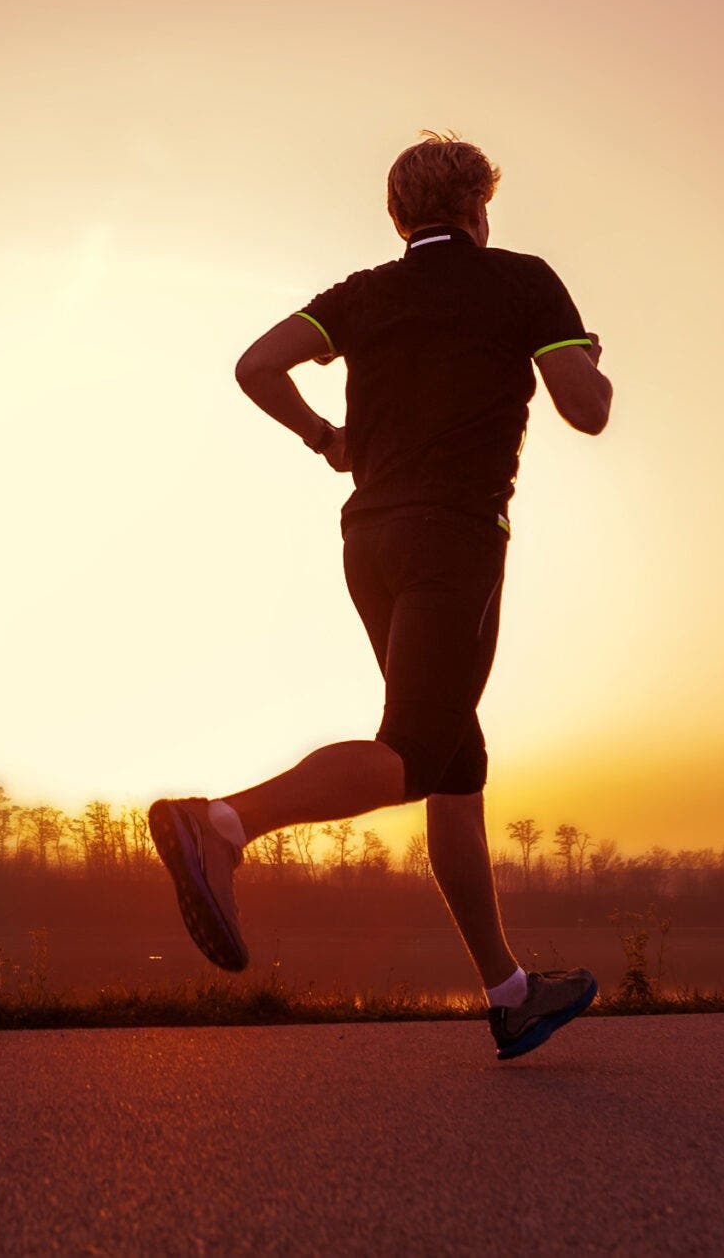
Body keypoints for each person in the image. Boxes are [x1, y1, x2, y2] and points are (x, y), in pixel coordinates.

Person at [147, 131, 614, 1061]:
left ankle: (510, 992)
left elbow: (255, 366)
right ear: (480, 208)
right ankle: (222, 825)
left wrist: (328, 436)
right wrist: (585, 355)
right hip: (456, 541)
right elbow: (586, 408)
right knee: (411, 751)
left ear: (400, 219)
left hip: (371, 540)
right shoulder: (523, 281)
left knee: (455, 762)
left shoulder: (364, 295)